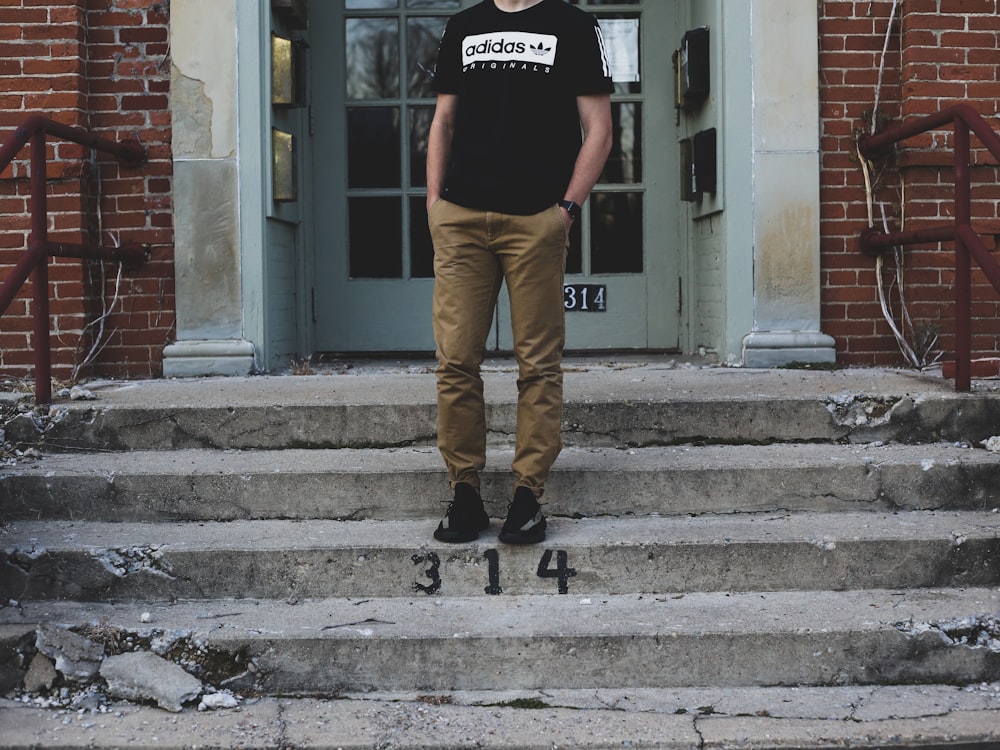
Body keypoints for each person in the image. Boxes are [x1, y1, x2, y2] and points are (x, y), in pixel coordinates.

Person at [426, 0, 613, 544]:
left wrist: (567, 210)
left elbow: (598, 128)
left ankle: (527, 495)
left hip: (537, 218)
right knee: (456, 358)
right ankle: (465, 493)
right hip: (461, 217)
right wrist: (434, 202)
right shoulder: (463, 26)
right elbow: (444, 119)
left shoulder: (575, 26)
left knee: (538, 361)